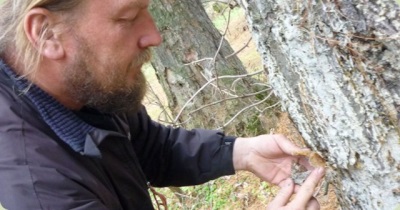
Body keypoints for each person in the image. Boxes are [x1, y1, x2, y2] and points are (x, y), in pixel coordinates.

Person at [0, 0, 325, 209]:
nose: (153, 35)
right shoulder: (38, 186)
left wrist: (240, 152)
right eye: (127, 18)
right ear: (46, 34)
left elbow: (148, 147)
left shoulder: (88, 86)